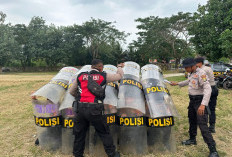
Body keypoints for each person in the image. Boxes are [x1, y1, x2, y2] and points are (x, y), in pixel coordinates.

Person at [70, 59, 124, 157]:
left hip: (80, 108)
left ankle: (78, 154)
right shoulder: (103, 76)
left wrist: (81, 97)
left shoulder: (81, 76)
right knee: (104, 132)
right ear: (100, 67)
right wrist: (119, 67)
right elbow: (120, 76)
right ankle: (112, 154)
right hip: (95, 109)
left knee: (79, 133)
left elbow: (72, 91)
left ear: (91, 67)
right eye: (102, 67)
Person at [170, 58, 219, 157]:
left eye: (186, 67)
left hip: (200, 101)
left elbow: (207, 88)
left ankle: (213, 150)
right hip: (192, 101)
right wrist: (178, 83)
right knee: (192, 120)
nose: (185, 69)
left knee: (203, 125)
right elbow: (189, 81)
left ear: (193, 66)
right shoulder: (191, 73)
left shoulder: (202, 73)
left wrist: (203, 104)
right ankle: (192, 139)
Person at [195, 57, 218, 133]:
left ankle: (206, 125)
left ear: (200, 63)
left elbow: (203, 82)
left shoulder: (203, 70)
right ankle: (212, 126)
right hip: (214, 88)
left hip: (209, 89)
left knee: (205, 107)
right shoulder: (208, 68)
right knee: (212, 108)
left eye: (196, 63)